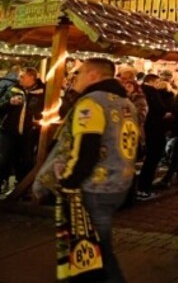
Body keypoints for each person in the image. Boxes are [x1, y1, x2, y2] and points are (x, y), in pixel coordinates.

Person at [34, 58, 140, 282]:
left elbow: (86, 149)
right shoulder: (126, 103)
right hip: (120, 184)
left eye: (79, 73)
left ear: (93, 75)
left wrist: (68, 181)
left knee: (95, 251)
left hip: (94, 187)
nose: (76, 78)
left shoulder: (91, 103)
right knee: (98, 248)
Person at [0, 67, 45, 190]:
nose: (19, 79)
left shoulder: (43, 92)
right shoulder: (13, 89)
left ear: (32, 78)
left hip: (29, 133)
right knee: (4, 159)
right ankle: (2, 183)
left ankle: (21, 188)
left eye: (22, 76)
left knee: (25, 161)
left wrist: (40, 118)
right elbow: (1, 106)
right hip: (9, 131)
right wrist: (9, 102)